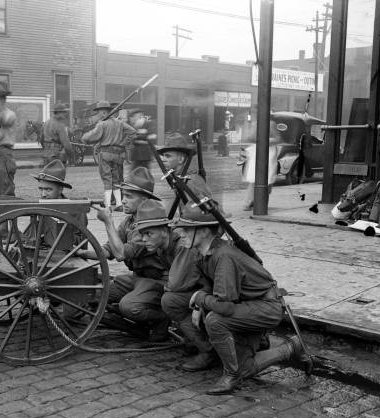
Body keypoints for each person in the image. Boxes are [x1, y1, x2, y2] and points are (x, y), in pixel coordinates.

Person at [171, 204, 312, 394]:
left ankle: (231, 374)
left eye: (187, 229)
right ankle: (291, 347)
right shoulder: (204, 253)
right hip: (247, 305)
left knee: (215, 320)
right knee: (245, 368)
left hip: (266, 307)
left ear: (204, 231)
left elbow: (225, 307)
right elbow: (209, 285)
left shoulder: (224, 256)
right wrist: (199, 304)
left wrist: (200, 298)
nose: (181, 234)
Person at [76, 167, 169, 341]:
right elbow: (107, 251)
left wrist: (108, 222)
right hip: (136, 277)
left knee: (129, 306)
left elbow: (120, 254)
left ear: (145, 200)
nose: (123, 201)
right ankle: (135, 320)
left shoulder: (148, 226)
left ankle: (160, 319)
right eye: (123, 195)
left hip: (156, 280)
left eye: (129, 196)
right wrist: (80, 253)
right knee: (93, 294)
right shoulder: (129, 221)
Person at [81, 100, 136, 210]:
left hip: (105, 154)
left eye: (99, 112)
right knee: (116, 180)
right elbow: (133, 132)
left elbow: (90, 137)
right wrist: (123, 143)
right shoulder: (119, 123)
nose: (98, 115)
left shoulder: (102, 124)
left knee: (107, 179)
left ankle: (108, 205)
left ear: (103, 112)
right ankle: (119, 204)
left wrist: (84, 139)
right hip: (118, 155)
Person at [126, 108, 157, 176]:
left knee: (145, 174)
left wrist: (138, 137)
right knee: (133, 174)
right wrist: (142, 135)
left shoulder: (148, 124)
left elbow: (152, 137)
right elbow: (129, 138)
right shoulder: (132, 126)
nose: (131, 119)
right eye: (131, 117)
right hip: (135, 155)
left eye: (133, 117)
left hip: (145, 155)